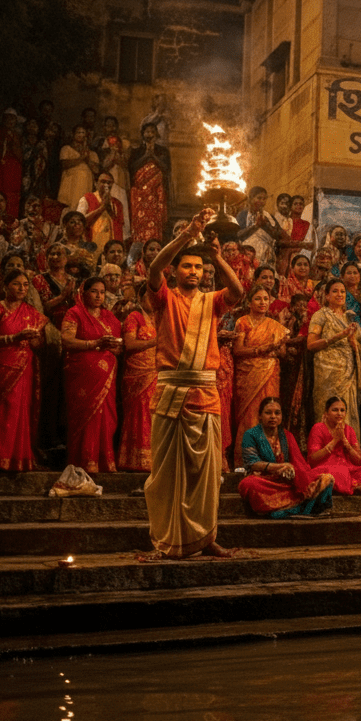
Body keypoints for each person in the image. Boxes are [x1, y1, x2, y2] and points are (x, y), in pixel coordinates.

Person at [143, 208, 243, 558]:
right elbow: (153, 268)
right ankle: (165, 540)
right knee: (167, 473)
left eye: (199, 268)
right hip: (171, 392)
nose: (194, 272)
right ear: (176, 271)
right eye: (188, 266)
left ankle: (206, 537)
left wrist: (216, 255)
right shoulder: (164, 297)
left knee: (206, 475)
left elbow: (238, 291)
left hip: (205, 393)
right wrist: (187, 236)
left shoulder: (211, 302)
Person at [0, 268, 45, 471]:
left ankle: (18, 459)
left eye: (26, 285)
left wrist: (34, 339)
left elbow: (39, 344)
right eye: (17, 284)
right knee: (0, 412)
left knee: (20, 412)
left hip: (23, 368)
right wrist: (13, 338)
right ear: (6, 286)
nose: (22, 288)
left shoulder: (32, 313)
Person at [61, 277, 122, 474]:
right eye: (94, 291)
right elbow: (67, 340)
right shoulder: (75, 313)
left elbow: (119, 347)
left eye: (102, 292)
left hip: (106, 376)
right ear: (84, 292)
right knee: (86, 418)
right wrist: (94, 344)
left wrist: (113, 347)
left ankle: (104, 460)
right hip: (82, 375)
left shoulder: (109, 317)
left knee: (107, 418)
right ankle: (84, 461)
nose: (99, 296)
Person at [238, 397, 335, 517]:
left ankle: (286, 510)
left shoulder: (287, 436)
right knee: (248, 484)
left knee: (326, 478)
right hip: (265, 481)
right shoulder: (250, 435)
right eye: (268, 413)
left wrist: (292, 472)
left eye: (277, 413)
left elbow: (299, 464)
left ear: (281, 416)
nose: (273, 416)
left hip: (286, 482)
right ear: (260, 416)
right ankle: (296, 509)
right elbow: (252, 463)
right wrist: (279, 467)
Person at [232, 285, 290, 465]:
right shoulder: (243, 322)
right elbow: (238, 350)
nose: (262, 302)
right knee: (249, 415)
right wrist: (261, 350)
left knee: (269, 412)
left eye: (266, 299)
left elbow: (282, 352)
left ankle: (269, 459)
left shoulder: (275, 325)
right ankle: (245, 462)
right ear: (249, 302)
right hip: (248, 375)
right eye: (258, 298)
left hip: (270, 374)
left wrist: (274, 350)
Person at [307, 278, 361, 438]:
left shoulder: (349, 317)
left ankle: (348, 451)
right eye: (335, 291)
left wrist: (354, 344)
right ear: (326, 295)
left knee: (347, 410)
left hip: (348, 372)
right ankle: (324, 449)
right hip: (327, 374)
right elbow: (310, 345)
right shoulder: (320, 315)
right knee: (328, 408)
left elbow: (358, 347)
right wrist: (338, 337)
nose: (340, 294)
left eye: (343, 291)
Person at [119, 292, 158, 472]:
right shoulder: (134, 317)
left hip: (157, 371)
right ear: (140, 299)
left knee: (154, 413)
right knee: (139, 412)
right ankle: (134, 459)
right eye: (149, 297)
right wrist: (154, 342)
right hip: (137, 373)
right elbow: (130, 344)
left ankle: (154, 459)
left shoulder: (159, 317)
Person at [306, 396, 361, 496]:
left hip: (349, 468)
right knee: (339, 472)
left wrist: (345, 442)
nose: (339, 413)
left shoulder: (349, 430)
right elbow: (312, 459)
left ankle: (351, 485)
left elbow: (359, 461)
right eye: (335, 410)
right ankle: (352, 488)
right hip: (325, 468)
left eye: (342, 410)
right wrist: (334, 440)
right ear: (326, 412)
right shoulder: (318, 428)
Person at [129, 123, 170, 244]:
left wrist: (154, 157)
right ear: (142, 134)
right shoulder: (136, 151)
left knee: (156, 221)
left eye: (152, 132)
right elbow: (132, 168)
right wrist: (146, 156)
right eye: (147, 132)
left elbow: (167, 169)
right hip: (140, 194)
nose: (150, 134)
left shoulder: (163, 151)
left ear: (156, 134)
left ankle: (155, 247)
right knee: (140, 222)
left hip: (157, 193)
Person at [94, 116, 131, 238]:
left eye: (113, 125)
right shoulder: (100, 144)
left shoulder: (124, 144)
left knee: (122, 210)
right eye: (108, 125)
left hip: (121, 182)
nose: (111, 128)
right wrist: (112, 152)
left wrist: (117, 151)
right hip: (106, 183)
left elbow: (125, 163)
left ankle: (122, 237)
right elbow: (103, 166)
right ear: (104, 128)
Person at [236, 186, 288, 268]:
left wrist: (266, 226)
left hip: (266, 256)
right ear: (250, 199)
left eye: (264, 199)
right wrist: (256, 226)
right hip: (247, 256)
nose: (262, 202)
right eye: (259, 198)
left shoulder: (269, 216)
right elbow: (238, 235)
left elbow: (278, 235)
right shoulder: (243, 215)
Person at [75, 171, 125, 250]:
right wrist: (101, 208)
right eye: (103, 182)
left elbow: (120, 227)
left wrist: (109, 209)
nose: (106, 185)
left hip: (111, 248)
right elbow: (78, 222)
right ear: (95, 183)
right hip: (91, 244)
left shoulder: (117, 204)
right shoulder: (87, 198)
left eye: (109, 183)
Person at [56, 125, 99, 209]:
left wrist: (87, 158)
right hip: (71, 188)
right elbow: (64, 164)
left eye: (83, 133)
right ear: (73, 134)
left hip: (86, 186)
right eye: (78, 132)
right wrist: (81, 158)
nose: (81, 135)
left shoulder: (92, 154)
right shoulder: (66, 149)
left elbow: (96, 170)